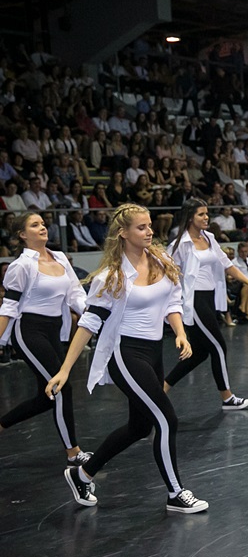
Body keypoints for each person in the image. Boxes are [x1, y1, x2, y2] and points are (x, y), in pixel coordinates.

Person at [46, 204, 208, 514]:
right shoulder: (112, 276)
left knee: (139, 427)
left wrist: (180, 332)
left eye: (150, 226)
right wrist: (65, 370)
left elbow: (172, 301)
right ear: (123, 232)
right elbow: (88, 324)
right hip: (125, 353)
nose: (149, 231)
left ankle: (82, 475)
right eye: (141, 227)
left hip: (153, 351)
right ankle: (175, 493)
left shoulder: (161, 260)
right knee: (166, 419)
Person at [0, 213, 90, 465]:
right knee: (61, 387)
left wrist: (93, 316)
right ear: (22, 234)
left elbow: (75, 294)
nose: (42, 227)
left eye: (42, 223)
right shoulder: (21, 266)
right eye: (35, 225)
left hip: (53, 330)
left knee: (46, 397)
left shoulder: (60, 257)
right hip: (29, 331)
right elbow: (9, 307)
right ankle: (73, 452)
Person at [165, 200, 248, 410]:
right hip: (194, 300)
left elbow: (227, 265)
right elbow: (168, 274)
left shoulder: (209, 238)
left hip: (209, 297)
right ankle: (227, 397)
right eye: (201, 214)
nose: (206, 218)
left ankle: (161, 387)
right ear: (190, 217)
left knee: (199, 353)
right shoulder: (180, 245)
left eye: (207, 214)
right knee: (219, 346)